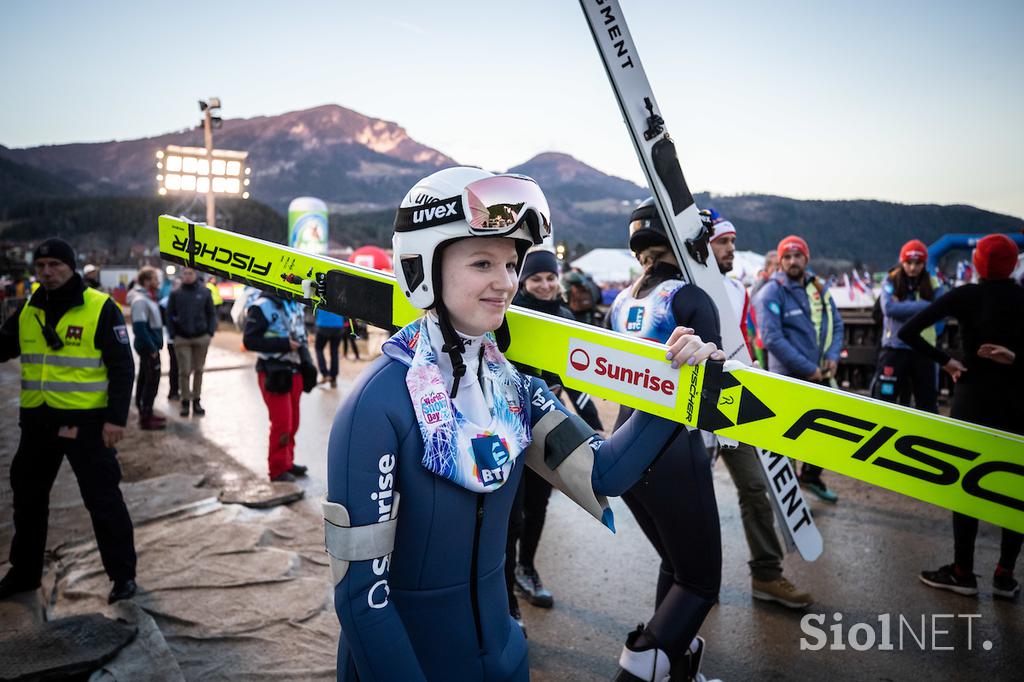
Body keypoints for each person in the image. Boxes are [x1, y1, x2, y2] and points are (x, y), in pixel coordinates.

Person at [324, 168, 722, 682]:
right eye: (483, 262)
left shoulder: (512, 389)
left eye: (511, 263)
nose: (506, 282)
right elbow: (363, 600)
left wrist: (677, 387)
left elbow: (605, 474)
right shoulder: (375, 409)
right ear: (422, 266)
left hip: (506, 660)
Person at [607, 198, 726, 682]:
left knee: (678, 567)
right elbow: (716, 393)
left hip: (626, 447)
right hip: (674, 450)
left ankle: (676, 670)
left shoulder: (620, 300)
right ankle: (640, 668)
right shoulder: (691, 297)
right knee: (700, 582)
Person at [0, 238, 138, 604]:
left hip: (87, 426)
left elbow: (123, 367)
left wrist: (115, 419)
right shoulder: (30, 309)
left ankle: (123, 576)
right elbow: (4, 346)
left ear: (71, 267)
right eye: (40, 266)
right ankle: (25, 572)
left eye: (54, 265)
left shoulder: (100, 308)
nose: (46, 272)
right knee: (28, 500)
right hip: (38, 424)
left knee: (103, 500)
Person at [899, 233, 1023, 600]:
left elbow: (909, 331)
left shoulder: (966, 295)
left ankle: (962, 571)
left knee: (967, 485)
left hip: (972, 399)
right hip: (1018, 401)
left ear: (979, 263)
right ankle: (1005, 575)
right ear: (1014, 263)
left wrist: (948, 362)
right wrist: (1015, 359)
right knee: (1015, 487)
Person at [705, 210, 813, 609]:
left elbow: (742, 342)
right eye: (723, 242)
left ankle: (767, 575)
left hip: (733, 402)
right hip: (690, 408)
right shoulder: (681, 286)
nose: (732, 249)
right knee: (696, 496)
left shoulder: (737, 289)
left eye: (733, 241)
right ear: (703, 244)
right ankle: (694, 579)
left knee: (754, 488)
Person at [505, 249, 605, 620]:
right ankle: (504, 597)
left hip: (549, 429)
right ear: (523, 282)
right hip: (509, 428)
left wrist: (591, 420)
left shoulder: (565, 317)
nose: (545, 285)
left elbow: (572, 379)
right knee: (510, 515)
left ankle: (525, 569)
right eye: (536, 279)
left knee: (538, 506)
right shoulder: (511, 317)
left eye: (550, 278)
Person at [755, 235, 844, 503]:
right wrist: (808, 369)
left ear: (807, 258)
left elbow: (836, 324)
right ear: (780, 261)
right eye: (787, 257)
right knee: (788, 438)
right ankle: (788, 495)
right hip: (788, 378)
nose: (793, 261)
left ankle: (810, 476)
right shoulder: (771, 291)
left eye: (798, 256)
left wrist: (832, 355)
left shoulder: (818, 288)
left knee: (828, 431)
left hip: (819, 373)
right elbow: (772, 339)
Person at [243, 290, 309, 482]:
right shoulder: (262, 305)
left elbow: (300, 336)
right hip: (273, 371)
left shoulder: (295, 302)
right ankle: (278, 468)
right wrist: (284, 344)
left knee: (293, 422)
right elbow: (249, 341)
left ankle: (287, 461)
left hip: (294, 369)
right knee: (282, 423)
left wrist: (308, 364)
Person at [870, 240, 941, 411]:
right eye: (909, 262)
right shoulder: (891, 280)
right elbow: (888, 308)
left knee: (927, 403)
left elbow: (939, 309)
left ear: (924, 263)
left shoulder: (933, 283)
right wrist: (924, 306)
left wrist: (902, 308)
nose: (913, 267)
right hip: (894, 347)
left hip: (924, 349)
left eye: (918, 263)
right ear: (902, 261)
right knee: (883, 400)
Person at [167, 267, 216, 417]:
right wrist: (173, 334)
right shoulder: (176, 294)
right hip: (182, 337)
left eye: (190, 273)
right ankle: (185, 401)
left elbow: (211, 314)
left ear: (196, 274)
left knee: (199, 370)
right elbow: (169, 315)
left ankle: (196, 400)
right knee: (184, 371)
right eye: (185, 273)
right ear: (182, 275)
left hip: (201, 337)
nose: (187, 276)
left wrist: (210, 332)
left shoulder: (204, 292)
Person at [127, 266, 166, 430]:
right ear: (147, 281)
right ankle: (146, 418)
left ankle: (146, 413)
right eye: (156, 279)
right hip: (148, 348)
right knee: (151, 382)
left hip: (149, 347)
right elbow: (139, 329)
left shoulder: (147, 297)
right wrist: (152, 349)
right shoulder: (140, 300)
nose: (159, 282)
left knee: (145, 379)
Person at [314, 307, 346, 388]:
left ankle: (325, 374)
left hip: (323, 324)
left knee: (318, 349)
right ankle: (333, 379)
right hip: (338, 324)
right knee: (334, 352)